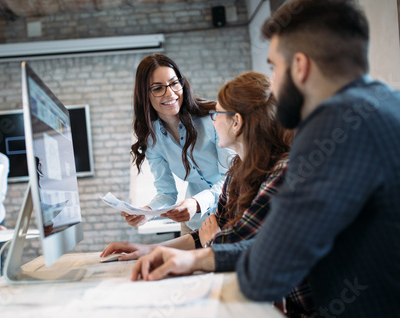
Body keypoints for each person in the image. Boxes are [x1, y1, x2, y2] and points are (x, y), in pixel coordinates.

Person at [131, 1, 400, 317]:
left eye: (274, 68)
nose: (271, 86)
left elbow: (266, 271)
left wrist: (210, 247)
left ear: (299, 66)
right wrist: (194, 254)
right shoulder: (386, 103)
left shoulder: (331, 126)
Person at [104, 72, 312, 315]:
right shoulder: (236, 174)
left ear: (236, 122)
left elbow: (233, 243)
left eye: (218, 113)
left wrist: (212, 240)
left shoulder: (283, 173)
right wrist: (150, 249)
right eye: (158, 88)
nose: (213, 120)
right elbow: (218, 235)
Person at [124, 53, 234, 233]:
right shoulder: (153, 139)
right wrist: (147, 212)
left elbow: (232, 177)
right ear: (145, 95)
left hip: (233, 216)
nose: (170, 93)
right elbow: (167, 193)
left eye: (174, 83)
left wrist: (197, 203)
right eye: (158, 88)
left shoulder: (213, 118)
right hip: (196, 224)